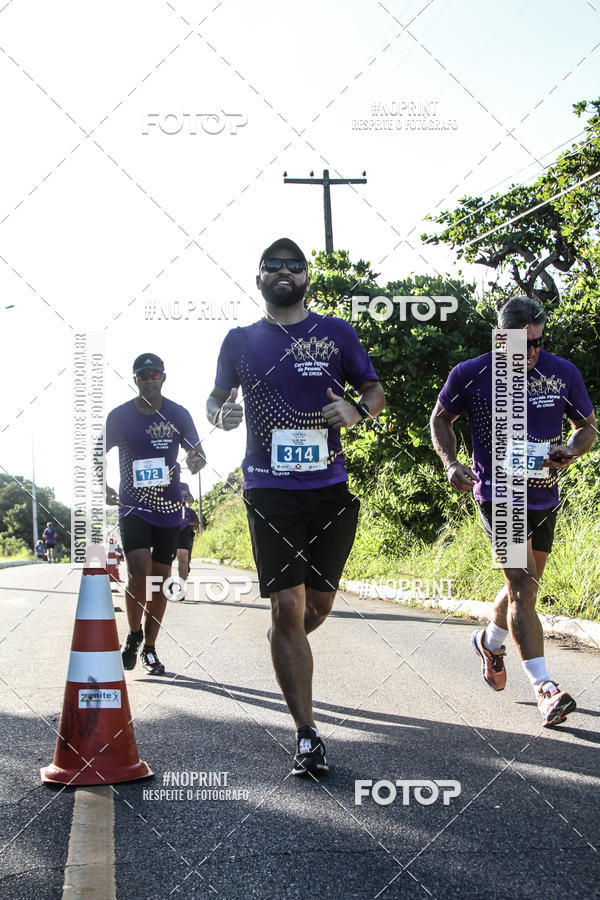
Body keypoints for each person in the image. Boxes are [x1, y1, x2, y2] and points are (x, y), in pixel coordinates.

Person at [207, 238, 385, 776]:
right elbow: (214, 399)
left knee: (316, 609)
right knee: (288, 607)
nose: (284, 272)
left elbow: (375, 391)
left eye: (294, 266)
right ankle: (307, 734)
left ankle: (284, 644)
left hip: (329, 487)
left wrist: (357, 412)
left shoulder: (335, 332)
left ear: (308, 277)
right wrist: (220, 415)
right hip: (269, 488)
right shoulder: (240, 341)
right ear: (258, 278)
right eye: (273, 266)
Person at [430, 296, 596, 727]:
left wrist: (572, 450)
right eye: (523, 345)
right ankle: (545, 688)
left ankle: (490, 642)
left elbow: (587, 427)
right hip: (497, 496)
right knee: (521, 584)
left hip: (543, 494)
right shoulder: (470, 374)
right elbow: (440, 419)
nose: (532, 352)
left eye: (539, 343)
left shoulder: (562, 372)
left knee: (527, 585)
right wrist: (451, 464)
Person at [104, 353, 206, 675]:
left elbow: (198, 452)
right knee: (138, 571)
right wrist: (102, 484)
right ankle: (133, 634)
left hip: (168, 509)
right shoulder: (119, 417)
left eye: (154, 374)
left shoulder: (178, 414)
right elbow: (97, 451)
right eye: (143, 375)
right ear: (134, 379)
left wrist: (196, 460)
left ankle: (149, 648)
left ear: (164, 377)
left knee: (160, 583)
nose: (149, 379)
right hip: (133, 505)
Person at [175, 482, 199, 588]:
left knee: (183, 556)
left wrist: (187, 496)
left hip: (184, 530)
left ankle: (182, 586)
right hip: (164, 522)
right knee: (164, 560)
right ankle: (164, 587)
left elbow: (191, 500)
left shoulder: (183, 485)